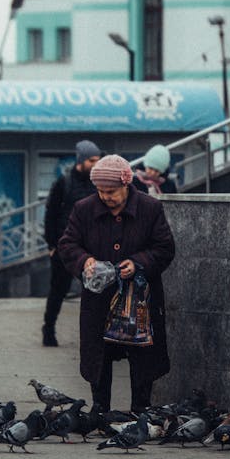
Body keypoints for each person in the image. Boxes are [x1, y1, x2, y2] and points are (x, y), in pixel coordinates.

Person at [58, 153, 175, 414]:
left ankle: (140, 409)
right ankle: (99, 409)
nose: (105, 197)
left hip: (140, 298)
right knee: (99, 354)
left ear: (126, 185)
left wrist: (138, 263)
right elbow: (67, 244)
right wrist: (85, 261)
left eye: (110, 191)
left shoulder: (150, 208)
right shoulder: (83, 209)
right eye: (100, 191)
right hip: (99, 299)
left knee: (143, 355)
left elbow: (165, 248)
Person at [41, 139, 102, 347]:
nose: (96, 163)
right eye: (92, 160)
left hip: (90, 248)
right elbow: (51, 214)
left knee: (94, 292)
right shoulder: (63, 183)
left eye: (98, 160)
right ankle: (48, 329)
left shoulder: (98, 183)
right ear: (81, 160)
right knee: (58, 290)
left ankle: (94, 336)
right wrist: (51, 245)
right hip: (64, 247)